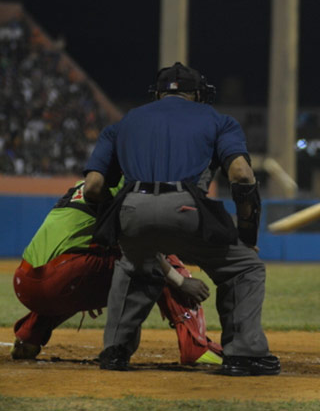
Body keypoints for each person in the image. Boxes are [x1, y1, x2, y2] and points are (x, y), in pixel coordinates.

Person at [82, 62, 279, 376]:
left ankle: (114, 352)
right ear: (198, 94)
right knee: (245, 268)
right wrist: (246, 236)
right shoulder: (218, 120)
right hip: (186, 211)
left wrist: (116, 219)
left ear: (158, 93)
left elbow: (92, 186)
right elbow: (241, 174)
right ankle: (244, 354)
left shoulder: (125, 122)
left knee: (135, 265)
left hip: (132, 208)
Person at [11, 179, 222, 365]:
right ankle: (196, 346)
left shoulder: (83, 184)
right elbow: (143, 245)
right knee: (156, 254)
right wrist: (181, 282)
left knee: (123, 254)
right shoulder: (128, 186)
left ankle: (30, 335)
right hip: (64, 276)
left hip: (26, 281)